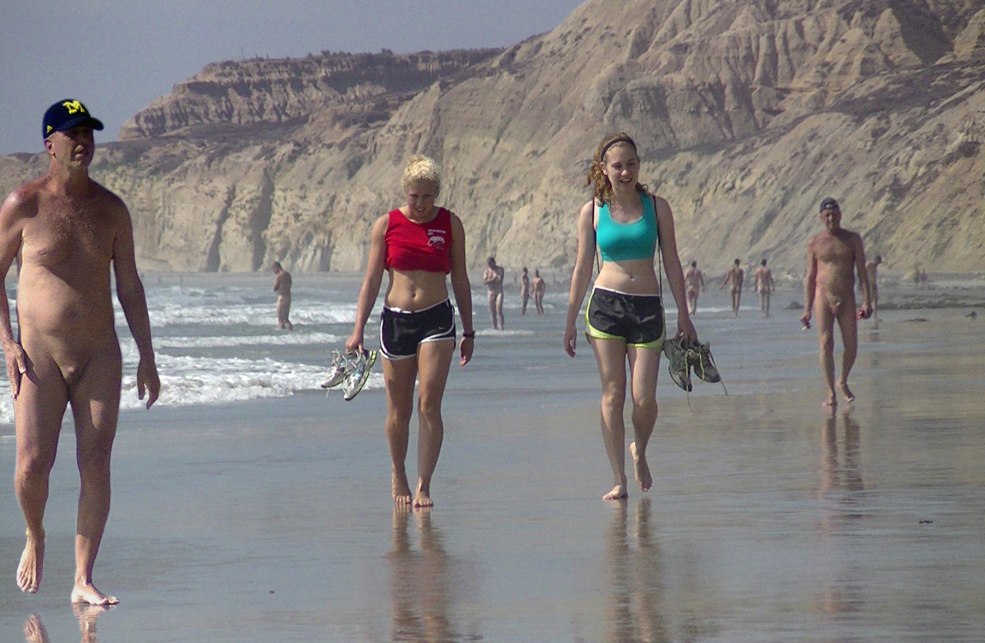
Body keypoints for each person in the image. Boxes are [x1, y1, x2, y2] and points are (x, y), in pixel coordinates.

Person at [0, 99, 160, 605]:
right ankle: (35, 534)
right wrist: (6, 344)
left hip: (98, 356)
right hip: (39, 356)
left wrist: (147, 355)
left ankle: (82, 577)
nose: (84, 142)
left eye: (88, 133)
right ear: (50, 144)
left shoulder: (111, 209)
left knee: (96, 464)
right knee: (31, 466)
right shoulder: (23, 204)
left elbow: (129, 286)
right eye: (73, 134)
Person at [564, 132, 697, 501]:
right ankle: (618, 477)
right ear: (603, 170)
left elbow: (671, 261)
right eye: (617, 166)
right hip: (605, 306)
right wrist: (570, 320)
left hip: (646, 308)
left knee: (645, 400)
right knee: (613, 394)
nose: (625, 172)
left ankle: (639, 447)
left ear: (639, 166)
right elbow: (581, 269)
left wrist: (684, 314)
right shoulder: (592, 211)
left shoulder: (657, 207)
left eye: (631, 164)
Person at [346, 155, 474, 507]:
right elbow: (371, 280)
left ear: (437, 194)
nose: (419, 204)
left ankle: (424, 484)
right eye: (413, 196)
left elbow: (460, 279)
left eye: (426, 197)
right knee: (398, 412)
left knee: (429, 403)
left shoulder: (451, 224)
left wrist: (469, 331)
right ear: (406, 191)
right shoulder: (386, 225)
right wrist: (357, 330)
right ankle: (398, 473)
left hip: (436, 319)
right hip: (396, 321)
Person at [800, 197, 872, 408]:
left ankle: (843, 380)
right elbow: (811, 277)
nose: (831, 218)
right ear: (821, 218)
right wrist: (807, 309)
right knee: (826, 343)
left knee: (852, 346)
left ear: (840, 215)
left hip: (847, 299)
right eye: (827, 215)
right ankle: (831, 391)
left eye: (834, 214)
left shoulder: (853, 239)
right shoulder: (814, 243)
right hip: (823, 297)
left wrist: (867, 302)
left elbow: (861, 272)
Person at [482, 256, 505, 330]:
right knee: (492, 312)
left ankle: (501, 327)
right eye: (488, 264)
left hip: (499, 291)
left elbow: (499, 280)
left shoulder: (500, 269)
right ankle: (495, 328)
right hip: (490, 291)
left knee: (499, 310)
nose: (490, 265)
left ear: (494, 263)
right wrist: (493, 279)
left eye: (491, 263)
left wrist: (490, 280)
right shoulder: (487, 271)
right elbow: (484, 282)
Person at [271, 261, 294, 330]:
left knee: (280, 319)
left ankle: (281, 335)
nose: (274, 272)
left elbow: (275, 288)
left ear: (276, 268)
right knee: (286, 319)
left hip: (282, 297)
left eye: (273, 269)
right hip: (288, 297)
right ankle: (291, 332)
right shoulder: (288, 274)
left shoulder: (279, 275)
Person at [864, 254, 882, 320]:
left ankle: (875, 315)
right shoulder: (870, 264)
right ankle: (862, 314)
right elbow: (863, 270)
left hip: (874, 284)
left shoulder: (875, 266)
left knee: (875, 299)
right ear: (876, 260)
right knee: (869, 300)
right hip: (869, 284)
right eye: (878, 262)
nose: (878, 264)